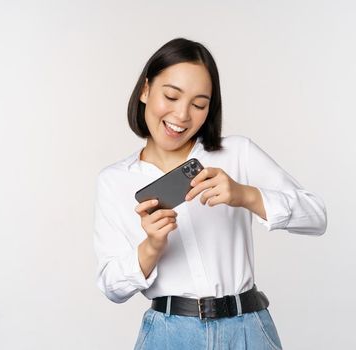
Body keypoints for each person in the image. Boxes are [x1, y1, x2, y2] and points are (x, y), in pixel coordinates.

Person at [93, 38, 328, 350]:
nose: (181, 115)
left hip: (248, 329)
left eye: (199, 104)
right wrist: (152, 246)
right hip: (169, 335)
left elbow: (316, 217)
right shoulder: (114, 181)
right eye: (171, 96)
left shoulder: (237, 153)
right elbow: (112, 287)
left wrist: (245, 195)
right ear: (145, 90)